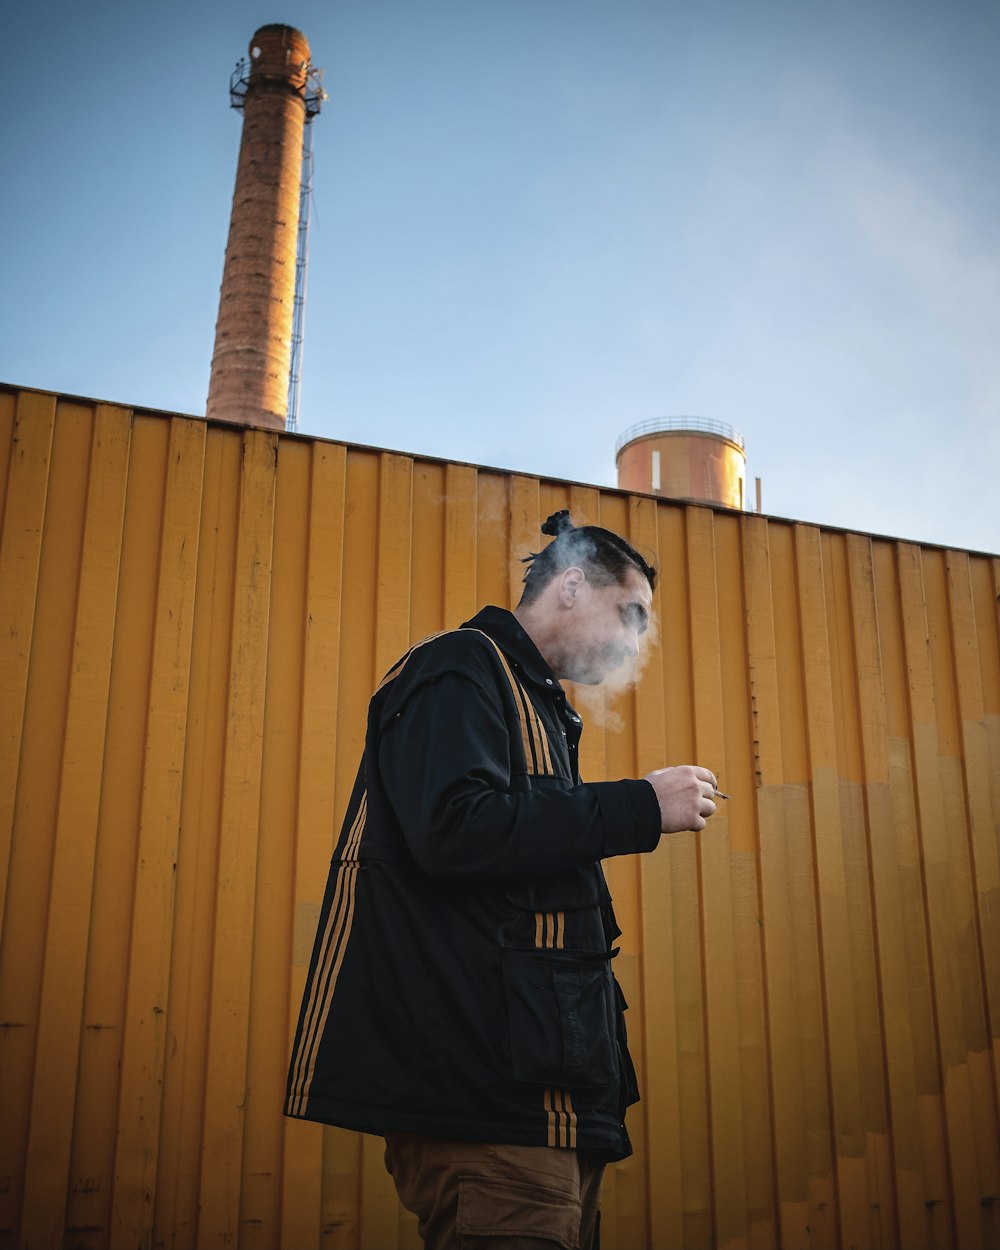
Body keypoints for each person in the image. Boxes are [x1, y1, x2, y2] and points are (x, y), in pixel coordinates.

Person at [285, 509, 721, 1249]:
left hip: (539, 1104)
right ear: (573, 585)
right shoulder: (461, 664)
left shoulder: (533, 703)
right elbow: (455, 831)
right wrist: (639, 806)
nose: (635, 641)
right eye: (632, 614)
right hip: (490, 1105)